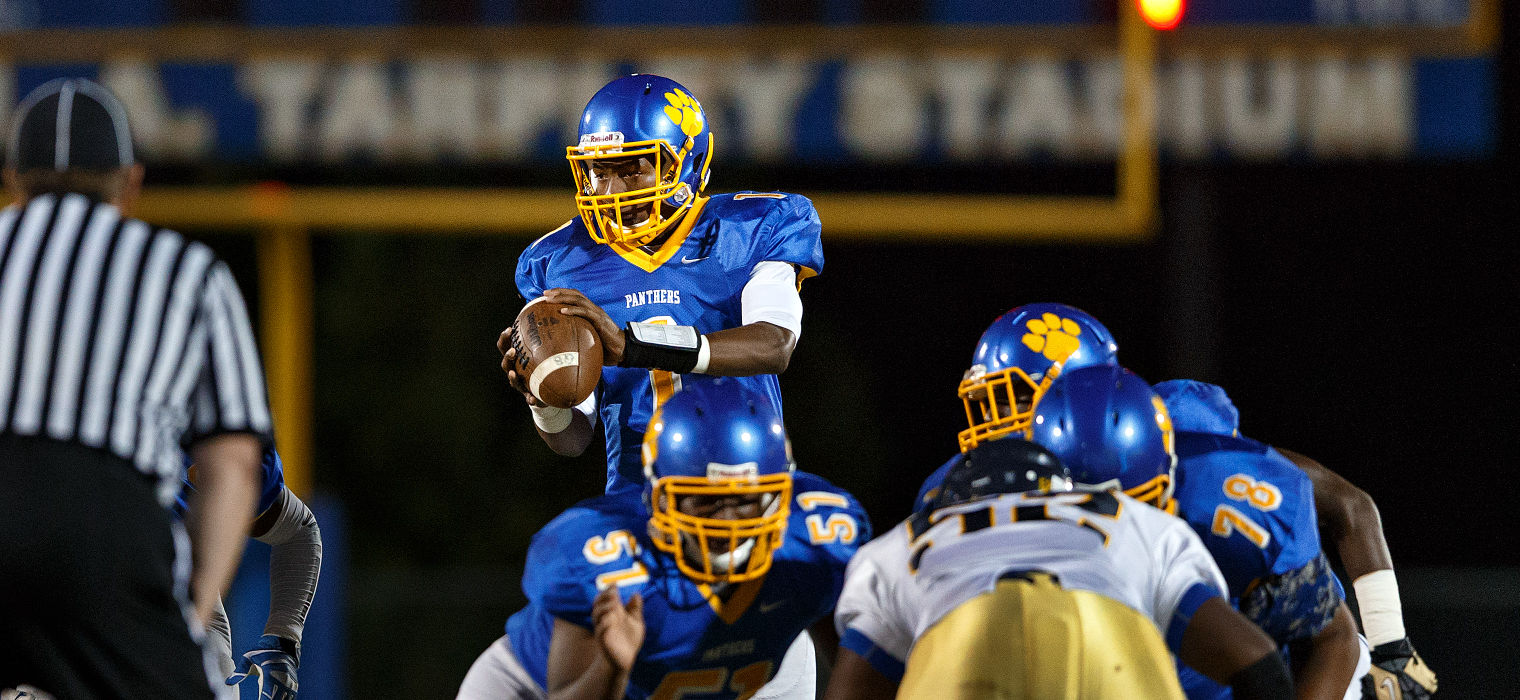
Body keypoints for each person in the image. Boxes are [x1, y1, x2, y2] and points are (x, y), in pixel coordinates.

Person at [0, 77, 270, 700]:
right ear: (132, 183)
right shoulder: (188, 270)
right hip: (98, 521)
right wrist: (189, 614)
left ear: (12, 183)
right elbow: (233, 461)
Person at [498, 74, 821, 496]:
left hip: (745, 494)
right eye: (599, 171)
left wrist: (633, 346)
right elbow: (574, 439)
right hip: (639, 503)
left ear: (683, 163)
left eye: (631, 169)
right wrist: (544, 399)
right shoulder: (560, 262)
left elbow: (774, 345)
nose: (611, 190)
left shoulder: (750, 227)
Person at [457, 379, 868, 700]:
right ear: (656, 497)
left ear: (780, 496)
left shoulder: (815, 547)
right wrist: (612, 667)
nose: (726, 523)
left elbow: (858, 663)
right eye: (705, 503)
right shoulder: (610, 562)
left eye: (744, 501)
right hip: (532, 689)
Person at [827, 439, 1294, 700]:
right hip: (1111, 655)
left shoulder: (900, 543)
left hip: (962, 657)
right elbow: (1257, 663)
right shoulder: (1130, 518)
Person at [1155, 380, 1433, 699]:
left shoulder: (1265, 478)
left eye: (1209, 454)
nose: (1197, 469)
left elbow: (1353, 506)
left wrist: (1391, 649)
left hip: (1295, 654)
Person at [911, 304, 1121, 508]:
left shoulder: (1133, 462)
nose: (989, 416)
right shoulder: (955, 484)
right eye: (989, 399)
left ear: (1076, 397)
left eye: (1009, 397)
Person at [179, 443, 322, 700]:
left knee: (212, 664)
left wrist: (283, 639)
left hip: (181, 610)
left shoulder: (218, 440)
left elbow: (298, 532)